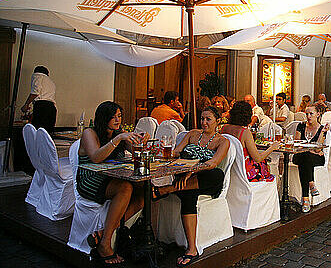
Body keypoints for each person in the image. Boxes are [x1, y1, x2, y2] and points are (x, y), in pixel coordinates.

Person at [152, 106, 229, 267]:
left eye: (208, 119)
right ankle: (192, 249)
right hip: (185, 179)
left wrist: (192, 171)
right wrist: (161, 151)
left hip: (206, 179)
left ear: (218, 121)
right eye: (202, 119)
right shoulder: (192, 134)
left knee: (216, 174)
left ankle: (166, 190)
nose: (204, 122)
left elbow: (212, 163)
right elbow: (177, 152)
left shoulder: (223, 141)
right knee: (189, 194)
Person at [77, 101, 145, 265]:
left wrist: (140, 142)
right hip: (90, 178)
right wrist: (118, 138)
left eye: (120, 116)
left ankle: (102, 232)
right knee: (125, 188)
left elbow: (139, 153)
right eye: (113, 117)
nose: (117, 120)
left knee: (144, 191)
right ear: (103, 118)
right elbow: (96, 157)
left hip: (113, 177)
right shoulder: (89, 133)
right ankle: (105, 244)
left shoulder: (119, 133)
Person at [221, 101, 278, 182]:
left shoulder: (224, 128)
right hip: (244, 172)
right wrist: (272, 148)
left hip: (228, 169)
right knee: (266, 166)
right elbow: (257, 158)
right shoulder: (245, 132)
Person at [293, 104, 328, 212]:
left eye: (311, 114)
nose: (308, 116)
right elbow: (297, 144)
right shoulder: (301, 126)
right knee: (305, 157)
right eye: (306, 114)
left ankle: (305, 198)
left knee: (306, 159)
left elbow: (318, 149)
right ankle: (311, 183)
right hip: (300, 155)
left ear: (318, 114)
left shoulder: (322, 129)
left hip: (315, 158)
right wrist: (312, 150)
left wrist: (322, 133)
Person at [21, 65, 57, 134]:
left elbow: (35, 92)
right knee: (47, 135)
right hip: (52, 108)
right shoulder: (51, 82)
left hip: (42, 107)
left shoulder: (38, 76)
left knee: (38, 134)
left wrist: (26, 104)